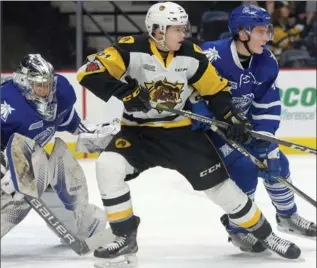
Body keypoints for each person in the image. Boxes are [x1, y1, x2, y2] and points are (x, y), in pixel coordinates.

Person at [77, 2, 301, 266]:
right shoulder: (129, 49)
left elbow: (215, 91)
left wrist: (232, 117)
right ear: (158, 31)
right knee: (107, 166)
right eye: (177, 29)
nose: (183, 34)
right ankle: (124, 236)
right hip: (138, 133)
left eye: (183, 28)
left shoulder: (191, 54)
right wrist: (125, 91)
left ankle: (267, 235)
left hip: (179, 133)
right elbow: (88, 72)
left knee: (221, 188)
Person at [189, 4, 316, 252]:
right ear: (242, 32)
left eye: (268, 30)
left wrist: (265, 138)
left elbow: (267, 106)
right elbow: (190, 93)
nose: (267, 37)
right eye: (260, 31)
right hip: (208, 134)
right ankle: (238, 229)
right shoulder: (211, 55)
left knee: (276, 160)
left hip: (241, 127)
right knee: (245, 169)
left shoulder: (266, 61)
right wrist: (210, 117)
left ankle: (287, 217)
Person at [0, 54, 119, 241]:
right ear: (24, 83)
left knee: (62, 163)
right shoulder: (6, 102)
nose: (45, 90)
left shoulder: (60, 93)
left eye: (47, 84)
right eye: (39, 85)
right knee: (18, 196)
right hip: (6, 167)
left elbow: (71, 123)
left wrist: (96, 132)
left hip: (30, 163)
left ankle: (82, 224)